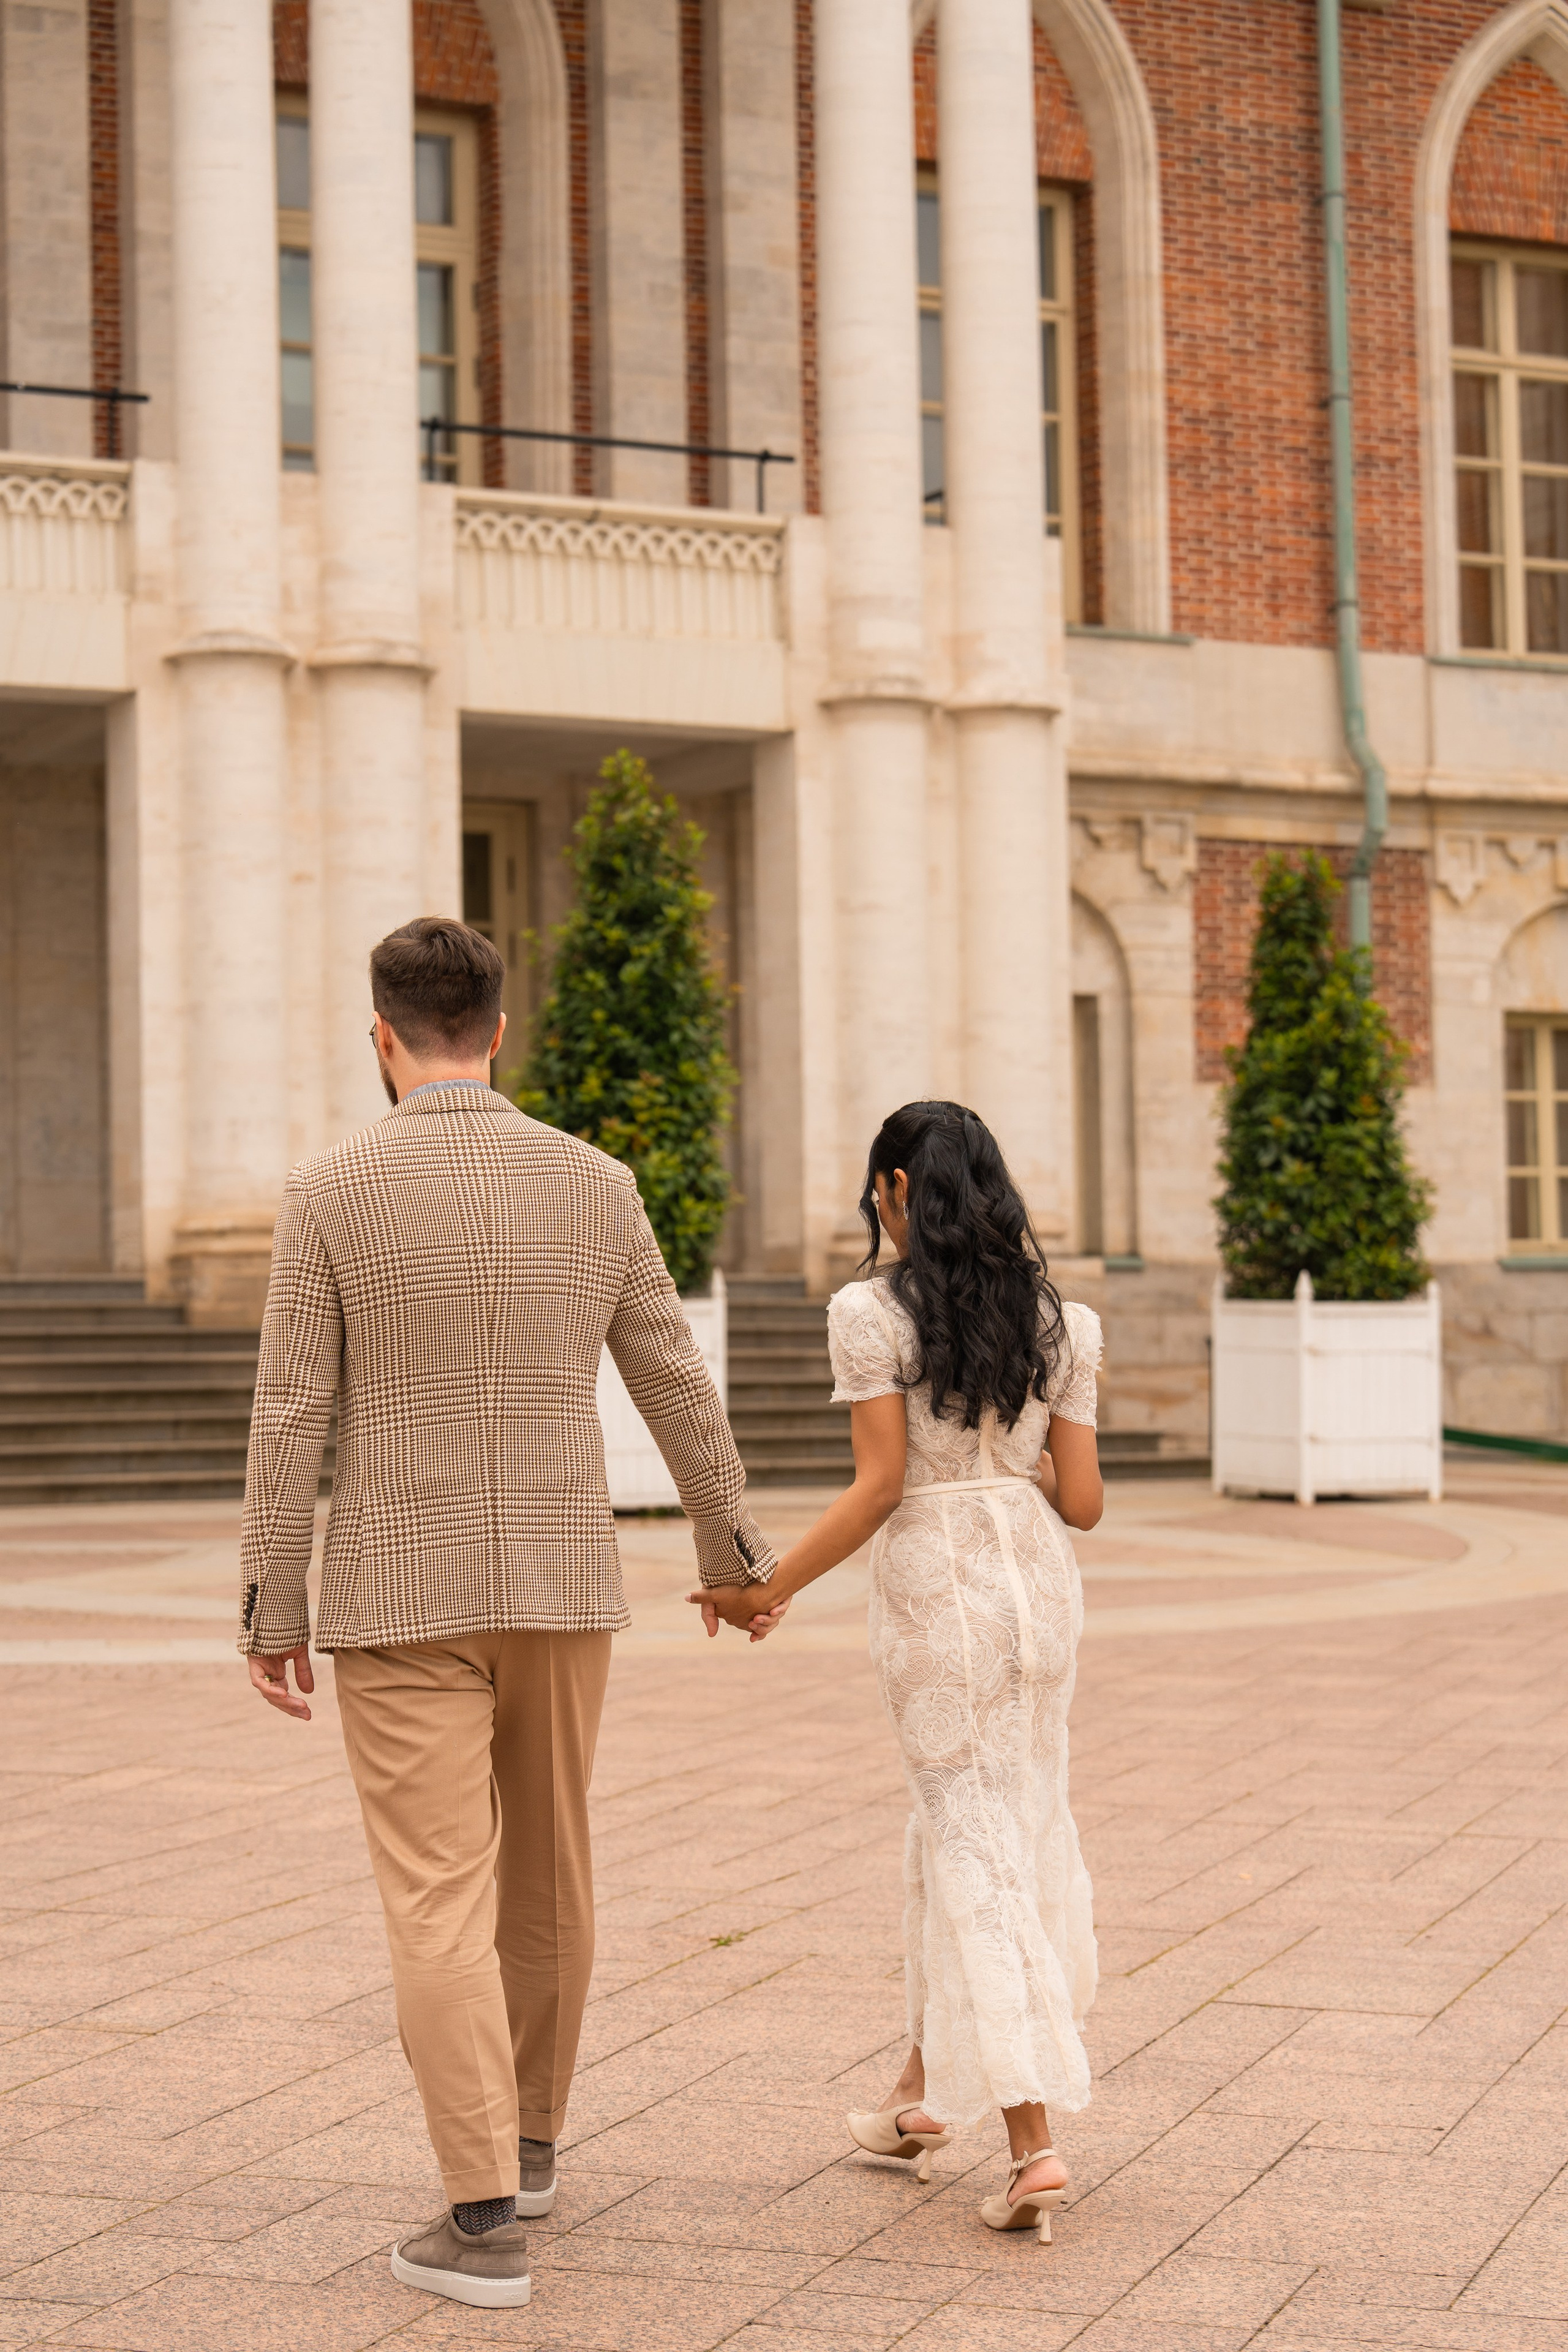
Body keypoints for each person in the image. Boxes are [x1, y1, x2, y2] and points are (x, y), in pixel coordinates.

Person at [239, 916, 775, 2312]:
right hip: (558, 1580)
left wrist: (266, 1601)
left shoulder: (330, 1189)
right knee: (550, 1872)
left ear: (382, 1035)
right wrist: (731, 1553)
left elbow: (294, 1407)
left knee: (437, 1897)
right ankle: (527, 2145)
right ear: (497, 1029)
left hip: (396, 1586)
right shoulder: (594, 1184)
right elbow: (672, 1380)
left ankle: (480, 2216)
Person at [693, 1100, 1102, 2242]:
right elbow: (1085, 1503)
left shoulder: (869, 1315)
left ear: (894, 1191)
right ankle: (921, 2094)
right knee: (984, 1821)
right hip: (1036, 1584)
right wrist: (1018, 1458)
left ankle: (1032, 2141)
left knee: (972, 1836)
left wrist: (764, 1584)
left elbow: (880, 1488)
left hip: (939, 1588)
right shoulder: (1065, 1324)